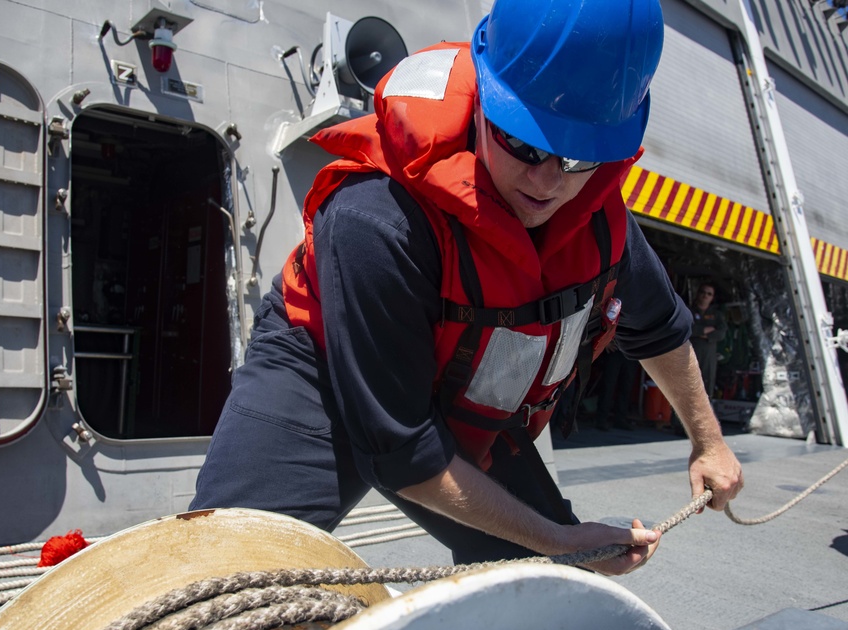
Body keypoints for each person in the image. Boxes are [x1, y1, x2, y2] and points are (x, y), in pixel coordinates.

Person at [191, 0, 743, 576]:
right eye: (525, 145)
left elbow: (660, 328)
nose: (549, 181)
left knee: (555, 580)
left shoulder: (599, 217)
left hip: (461, 396)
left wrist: (709, 442)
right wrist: (556, 537)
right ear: (482, 100)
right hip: (319, 368)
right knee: (220, 581)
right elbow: (404, 453)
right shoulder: (376, 220)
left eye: (578, 155)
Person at [690, 282, 728, 398]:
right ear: (698, 293)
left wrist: (702, 334)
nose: (705, 295)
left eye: (709, 294)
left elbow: (721, 334)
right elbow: (687, 329)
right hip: (690, 353)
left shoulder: (717, 315)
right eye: (703, 292)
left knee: (706, 387)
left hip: (708, 355)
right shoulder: (689, 311)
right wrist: (705, 330)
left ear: (712, 297)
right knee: (687, 385)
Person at [594, 342, 639, 431]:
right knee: (608, 385)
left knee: (626, 387)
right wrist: (606, 343)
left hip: (631, 351)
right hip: (615, 349)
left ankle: (620, 419)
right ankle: (601, 419)